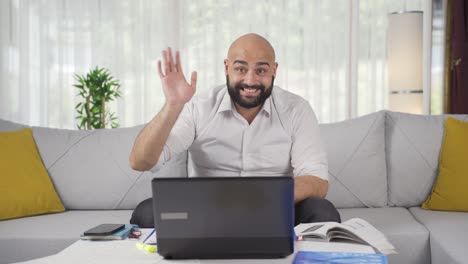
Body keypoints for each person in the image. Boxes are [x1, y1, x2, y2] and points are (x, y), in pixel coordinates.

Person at [129, 33, 341, 228]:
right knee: (147, 212)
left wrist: (266, 197)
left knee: (322, 211)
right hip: (207, 211)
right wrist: (172, 105)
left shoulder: (296, 109)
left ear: (274, 70)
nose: (250, 80)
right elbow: (141, 162)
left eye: (261, 70)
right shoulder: (199, 107)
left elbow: (316, 181)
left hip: (276, 208)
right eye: (241, 69)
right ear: (226, 67)